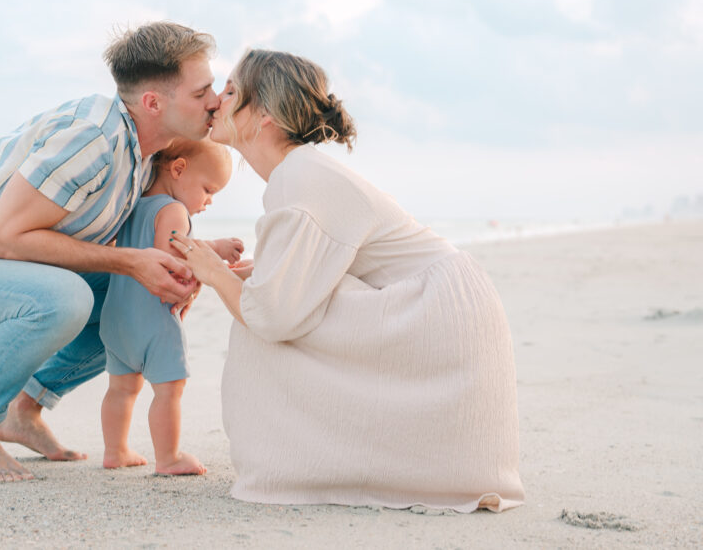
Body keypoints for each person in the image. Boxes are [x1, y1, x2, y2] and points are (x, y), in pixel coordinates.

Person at [171, 49, 525, 512]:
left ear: (265, 118)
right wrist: (249, 272)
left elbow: (271, 314)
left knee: (260, 319)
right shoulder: (301, 172)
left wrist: (213, 272)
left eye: (232, 91)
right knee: (268, 298)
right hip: (447, 303)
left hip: (438, 316)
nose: (216, 99)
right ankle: (326, 464)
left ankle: (294, 468)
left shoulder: (298, 180)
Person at [0, 21, 220, 483]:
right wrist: (131, 263)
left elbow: (137, 249)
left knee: (137, 301)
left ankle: (22, 410)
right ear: (154, 103)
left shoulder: (142, 156)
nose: (216, 102)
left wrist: (181, 269)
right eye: (202, 93)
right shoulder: (93, 137)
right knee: (68, 298)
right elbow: (4, 240)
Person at [99, 139, 243, 475]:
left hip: (117, 317)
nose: (208, 201)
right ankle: (168, 458)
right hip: (153, 319)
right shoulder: (173, 210)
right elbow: (173, 255)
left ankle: (115, 450)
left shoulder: (134, 205)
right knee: (170, 389)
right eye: (208, 189)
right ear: (178, 169)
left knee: (121, 388)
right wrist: (216, 250)